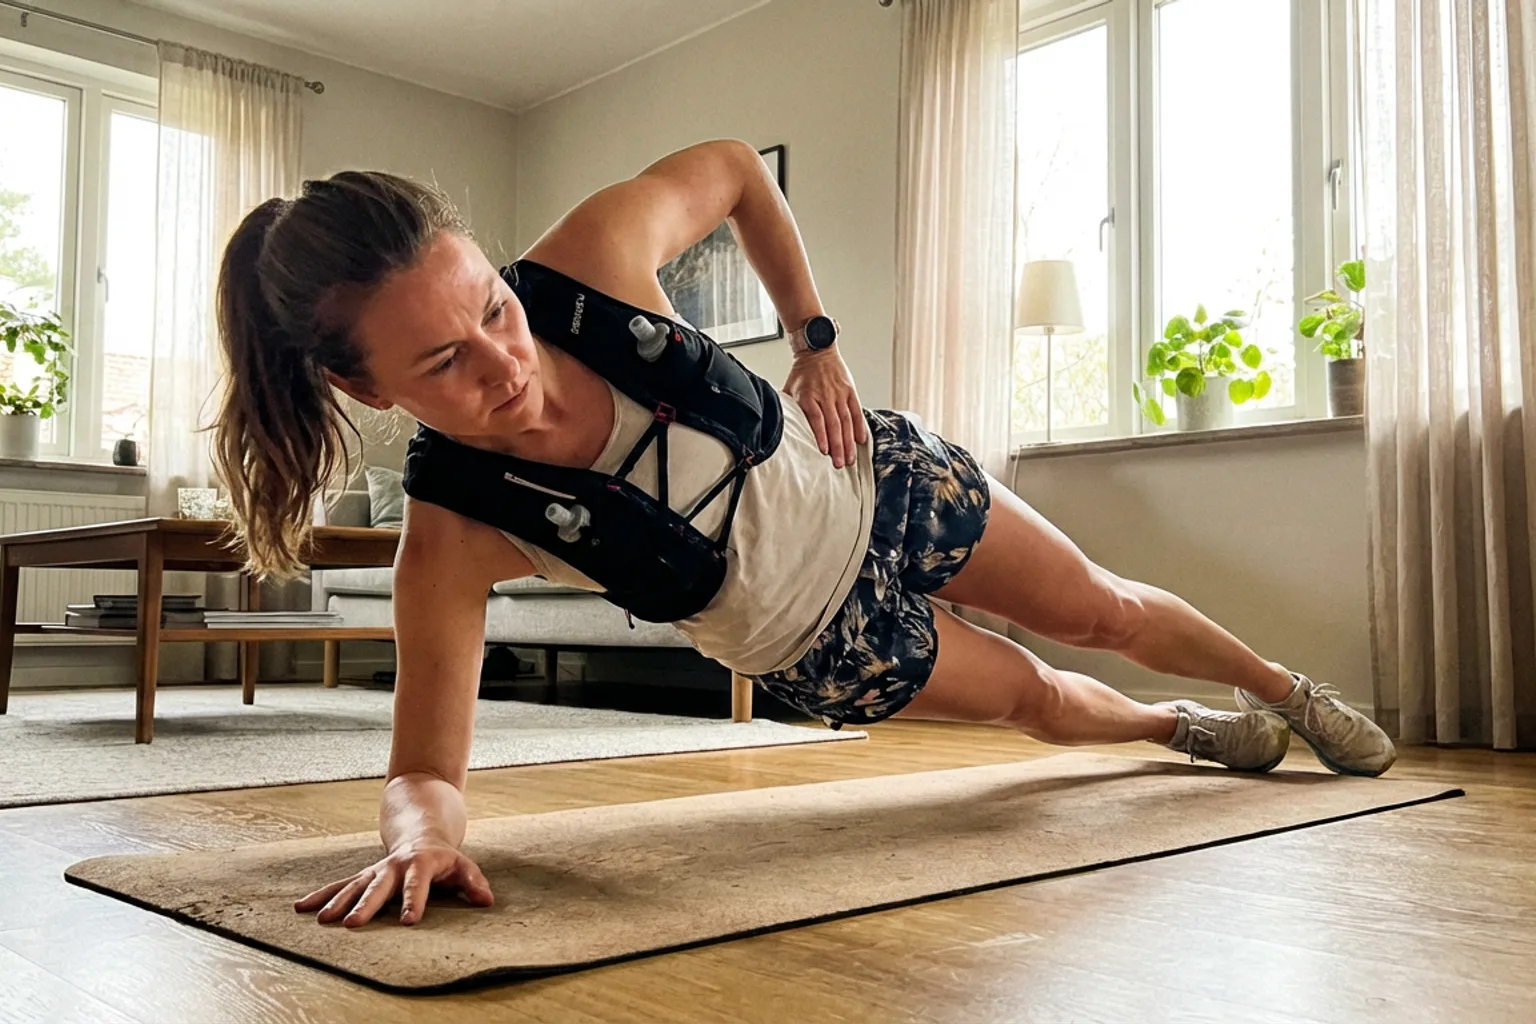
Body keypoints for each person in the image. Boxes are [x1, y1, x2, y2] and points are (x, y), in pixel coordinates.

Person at [210, 139, 1396, 930]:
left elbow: (733, 168)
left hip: (878, 479)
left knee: (1102, 608)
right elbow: (426, 763)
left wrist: (812, 336)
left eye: (494, 311)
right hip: (826, 639)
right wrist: (419, 838)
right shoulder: (456, 526)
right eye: (444, 363)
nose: (504, 362)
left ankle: (1284, 687)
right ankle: (1175, 728)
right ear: (373, 393)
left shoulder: (589, 264)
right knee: (1038, 698)